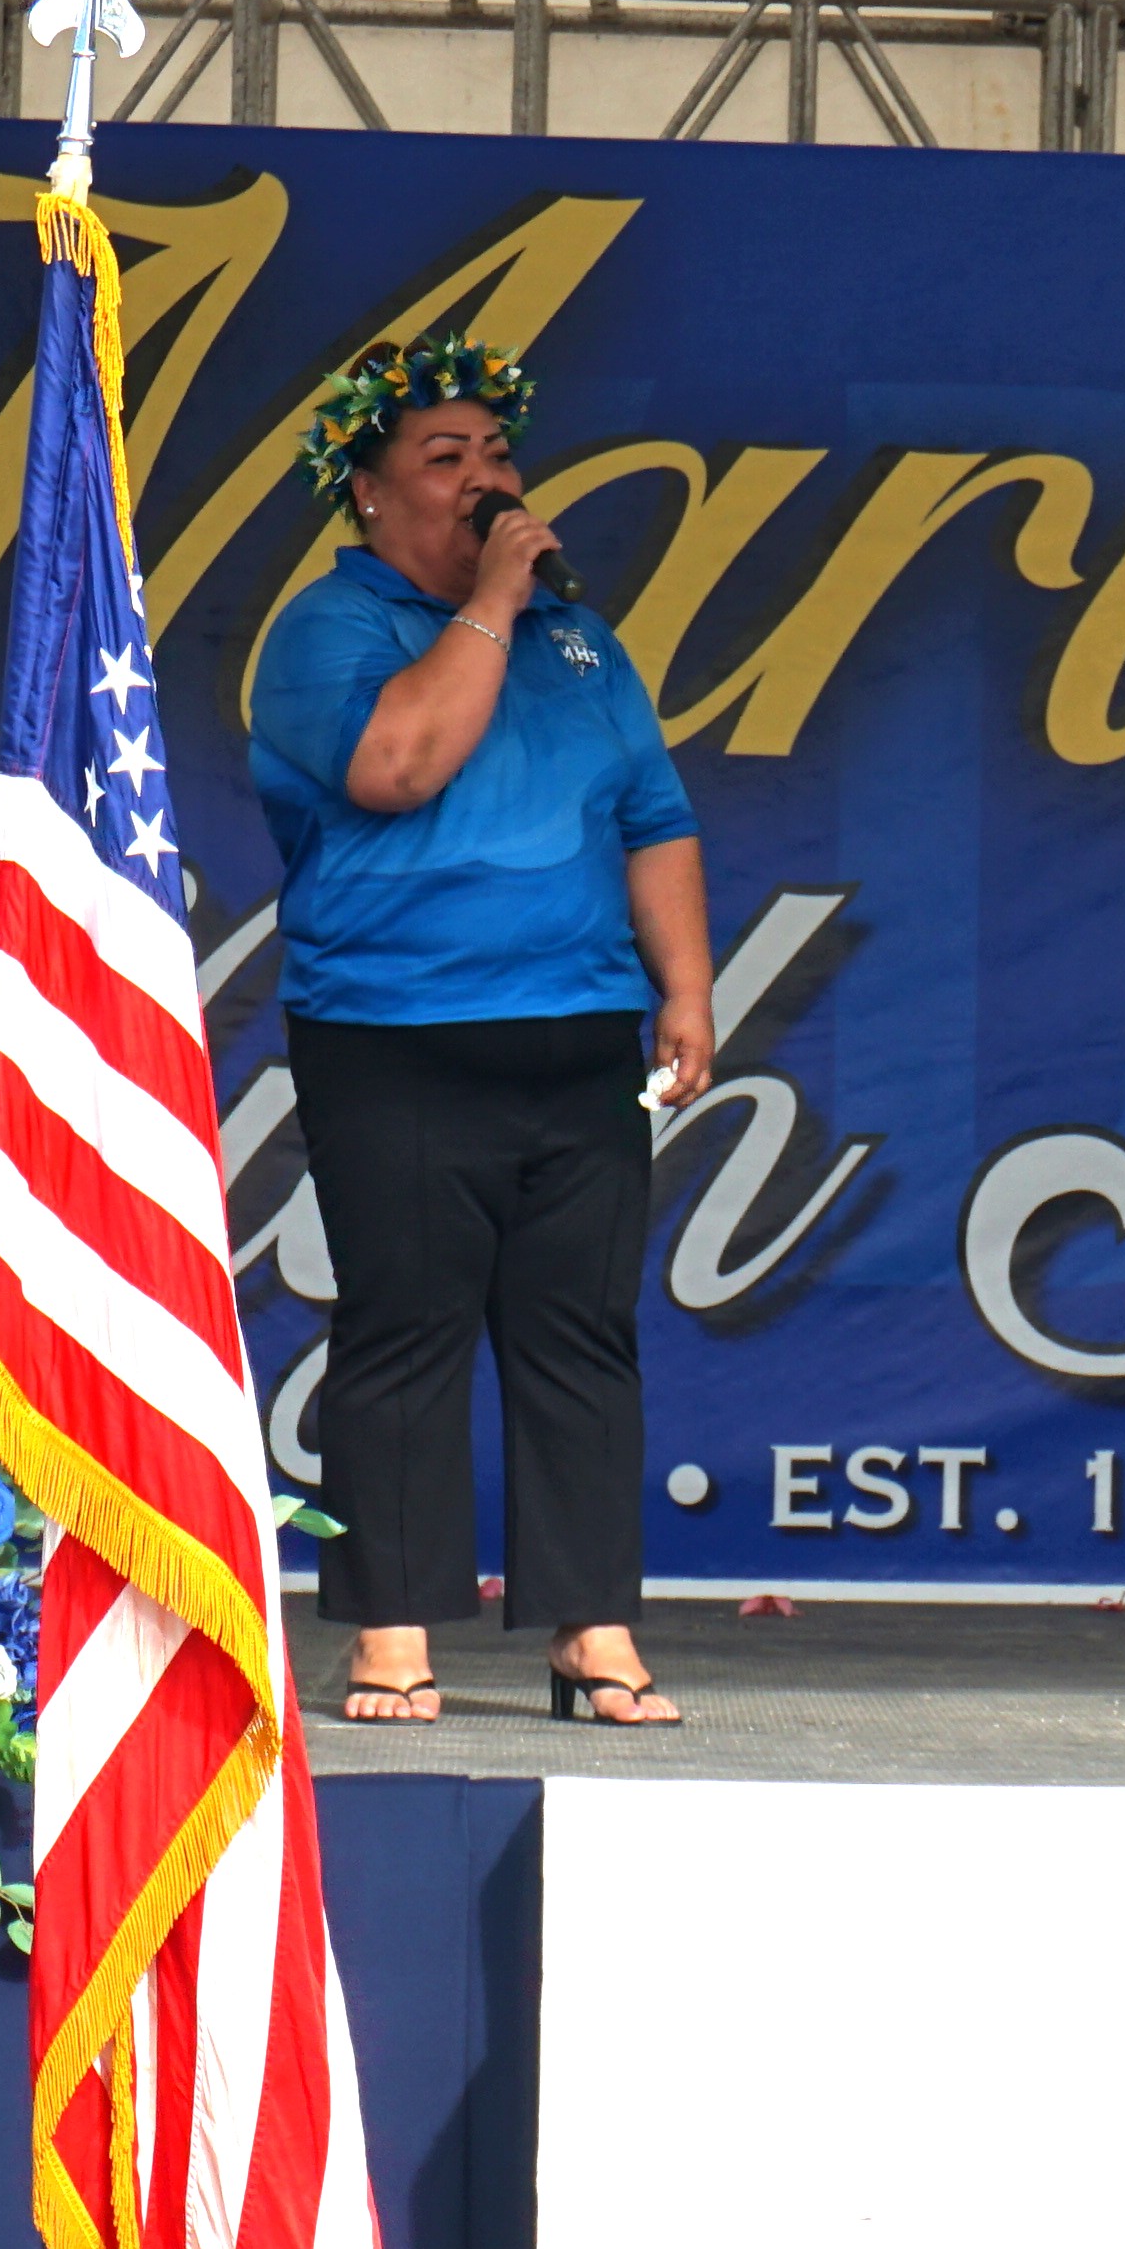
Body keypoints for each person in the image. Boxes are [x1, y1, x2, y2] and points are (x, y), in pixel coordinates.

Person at [246, 334, 720, 1729]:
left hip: (578, 1030)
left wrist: (686, 989)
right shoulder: (328, 632)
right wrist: (494, 605)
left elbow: (654, 817)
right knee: (406, 1329)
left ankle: (594, 1631)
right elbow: (394, 769)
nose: (484, 479)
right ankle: (394, 1631)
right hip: (395, 1033)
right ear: (370, 498)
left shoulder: (584, 643)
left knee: (581, 1332)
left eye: (496, 454)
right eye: (443, 459)